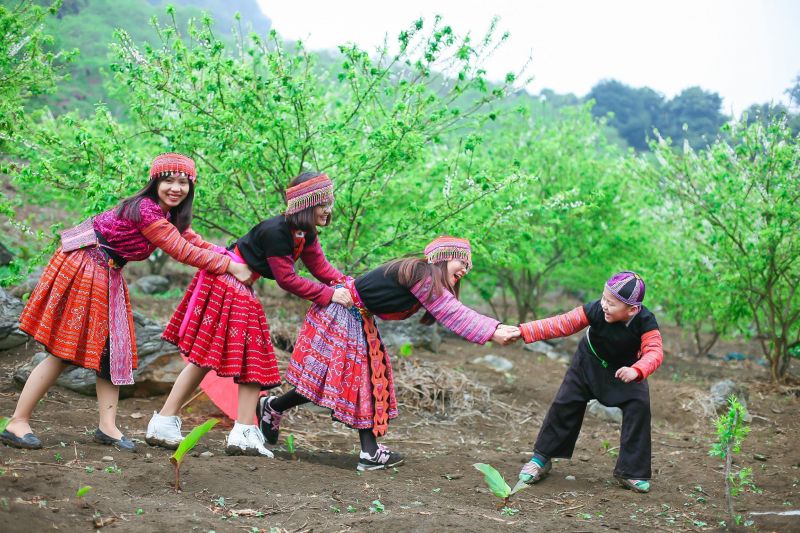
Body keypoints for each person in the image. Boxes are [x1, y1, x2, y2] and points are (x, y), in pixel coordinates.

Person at [0, 153, 252, 452]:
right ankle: (18, 421)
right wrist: (231, 267)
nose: (176, 188)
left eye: (183, 182)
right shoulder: (146, 210)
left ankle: (107, 427)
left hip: (107, 270)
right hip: (85, 265)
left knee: (113, 349)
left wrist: (230, 254)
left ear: (190, 186)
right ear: (155, 182)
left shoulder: (167, 214)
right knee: (64, 350)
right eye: (168, 180)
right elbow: (182, 252)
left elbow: (193, 242)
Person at [257, 236, 519, 470]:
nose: (465, 269)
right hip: (342, 311)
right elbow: (453, 312)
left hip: (354, 314)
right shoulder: (421, 273)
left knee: (345, 380)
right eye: (462, 262)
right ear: (443, 257)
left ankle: (273, 406)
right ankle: (369, 453)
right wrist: (493, 330)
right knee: (360, 380)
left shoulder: (424, 279)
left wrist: (491, 329)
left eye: (468, 266)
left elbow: (450, 308)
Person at [146, 172, 354, 457]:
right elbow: (287, 280)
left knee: (210, 358)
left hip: (236, 283)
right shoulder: (277, 232)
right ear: (307, 204)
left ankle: (168, 422)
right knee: (252, 356)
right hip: (228, 282)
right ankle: (241, 431)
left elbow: (321, 268)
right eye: (323, 203)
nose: (329, 209)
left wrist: (348, 284)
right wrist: (329, 294)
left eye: (329, 202)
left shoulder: (303, 232)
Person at [516, 271, 663, 493]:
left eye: (612, 304)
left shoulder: (645, 321)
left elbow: (655, 351)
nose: (604, 305)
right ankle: (541, 459)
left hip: (627, 371)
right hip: (588, 363)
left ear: (632, 309)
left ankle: (631, 472)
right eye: (604, 298)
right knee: (565, 403)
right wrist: (523, 331)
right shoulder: (595, 309)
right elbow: (562, 323)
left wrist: (638, 370)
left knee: (639, 407)